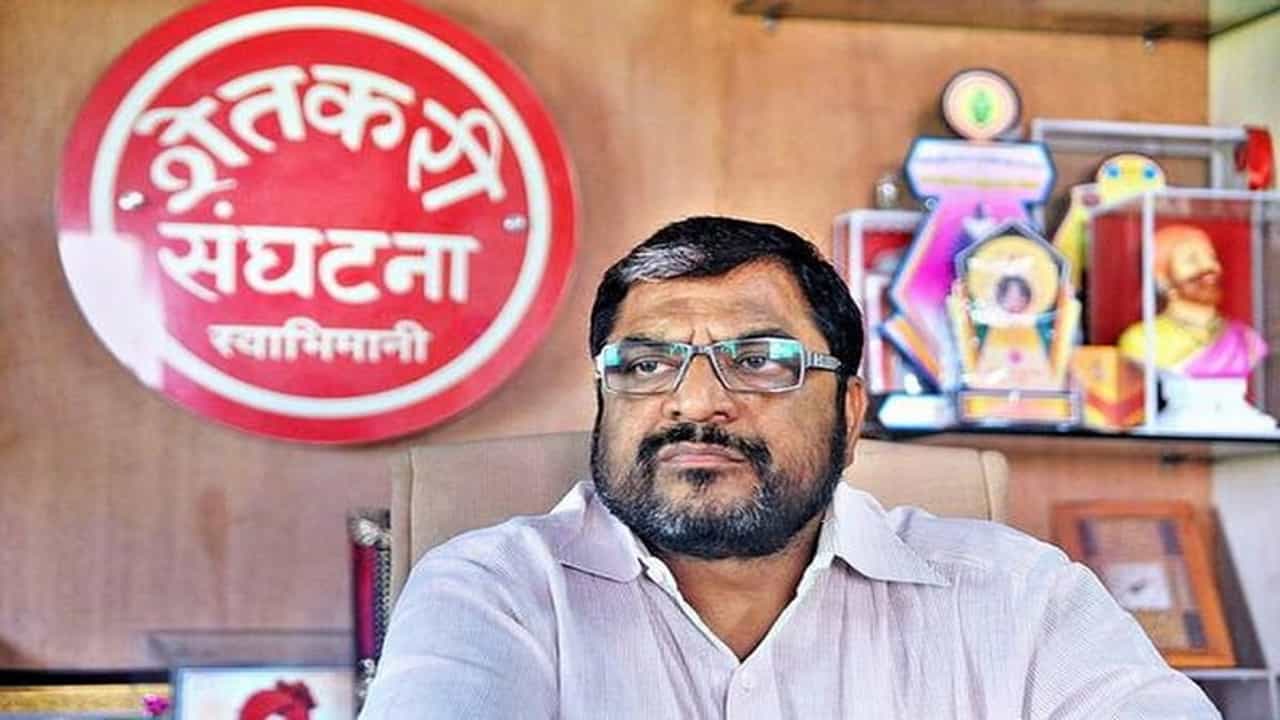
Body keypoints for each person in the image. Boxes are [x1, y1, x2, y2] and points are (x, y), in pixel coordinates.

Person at [360, 216, 1219, 719]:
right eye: (647, 364)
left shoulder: (1019, 598)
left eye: (760, 361)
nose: (696, 402)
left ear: (849, 413)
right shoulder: (494, 591)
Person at [1118, 224, 1266, 378]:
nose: (1209, 266)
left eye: (1212, 257)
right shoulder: (1143, 340)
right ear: (1162, 279)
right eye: (1192, 260)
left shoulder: (1246, 340)